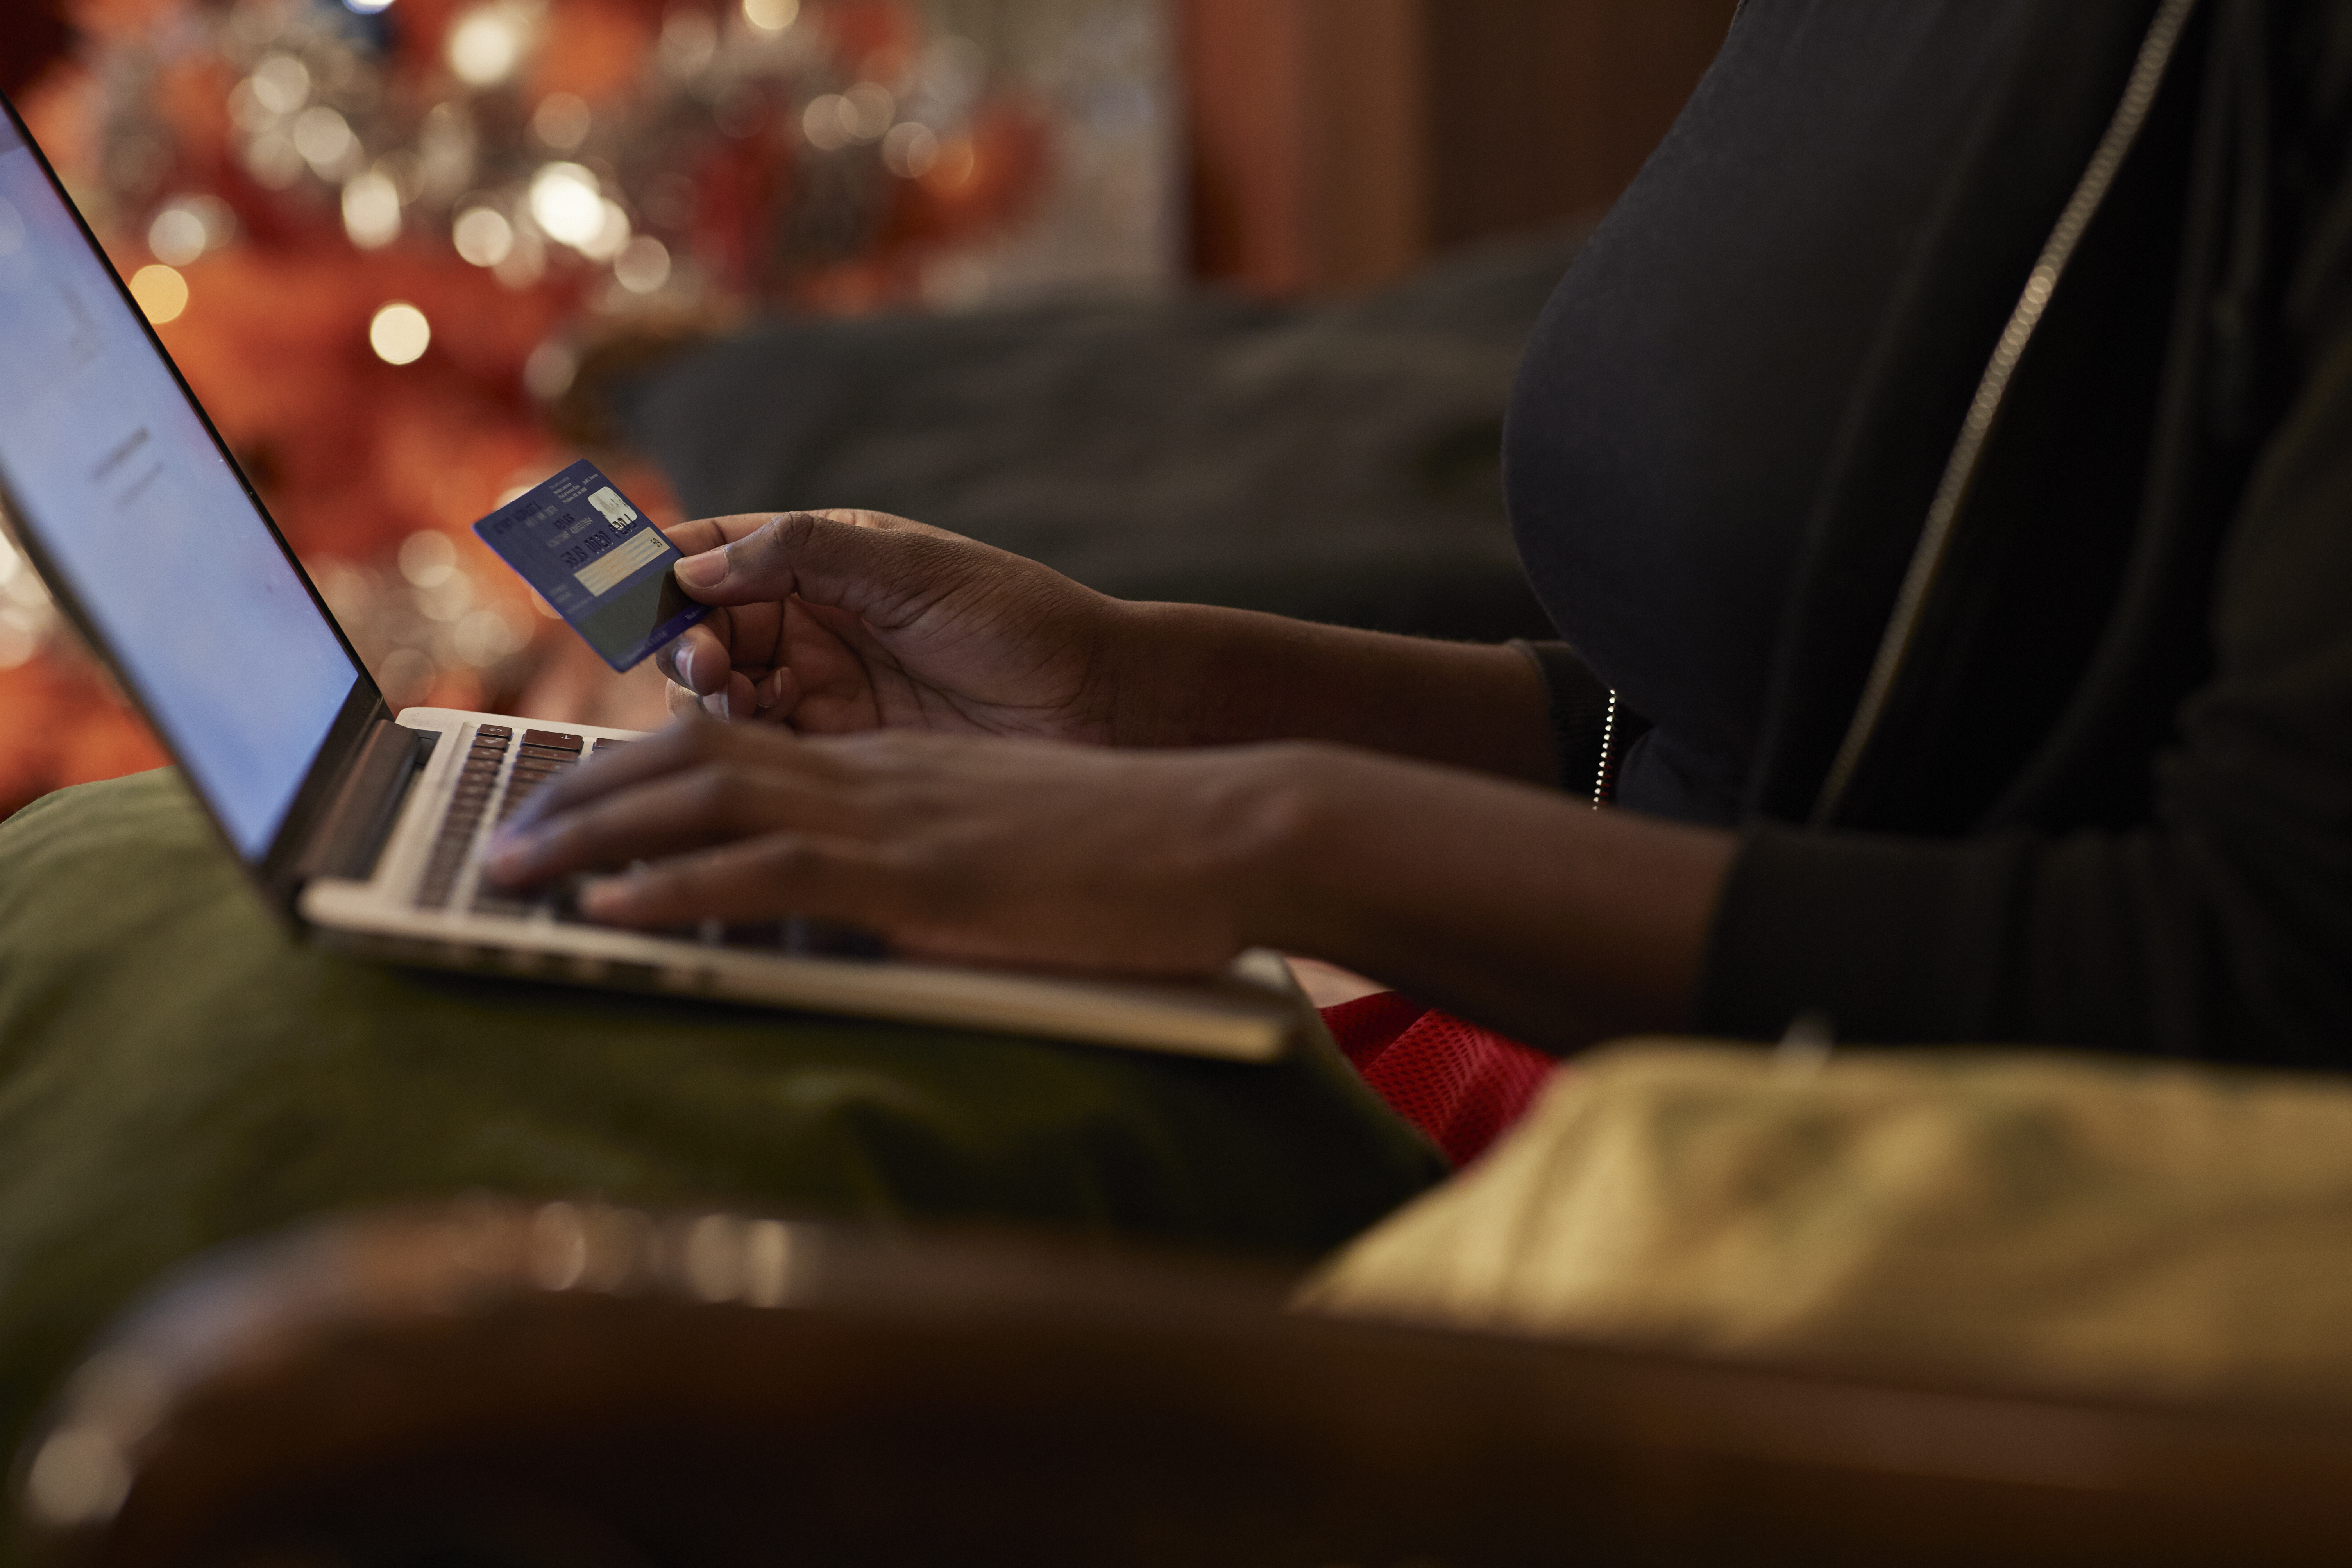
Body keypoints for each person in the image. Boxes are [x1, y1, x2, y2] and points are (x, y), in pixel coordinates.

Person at [492, 0, 2352, 1070]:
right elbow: (1787, 736)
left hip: (1840, 1286)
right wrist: (1137, 699)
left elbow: (2246, 979)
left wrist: (1250, 838)